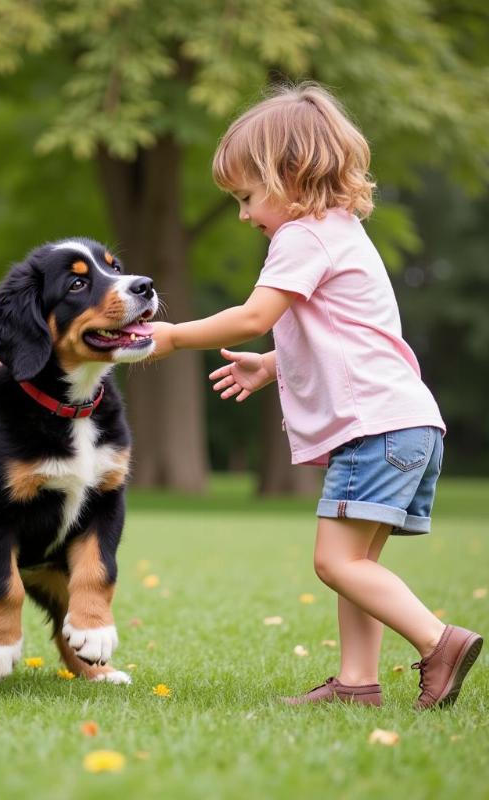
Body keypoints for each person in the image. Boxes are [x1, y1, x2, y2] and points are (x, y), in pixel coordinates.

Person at [151, 83, 482, 709]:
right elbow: (345, 333)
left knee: (336, 563)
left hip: (376, 427)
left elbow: (253, 315)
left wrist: (171, 336)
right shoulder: (342, 230)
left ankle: (439, 642)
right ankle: (357, 683)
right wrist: (274, 365)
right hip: (405, 423)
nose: (245, 215)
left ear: (290, 174)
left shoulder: (301, 236)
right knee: (357, 565)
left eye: (248, 197)